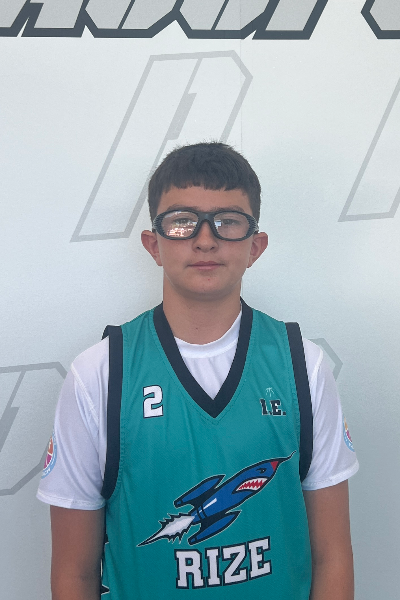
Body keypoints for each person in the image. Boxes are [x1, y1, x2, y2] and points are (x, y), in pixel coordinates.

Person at [37, 142, 359, 599]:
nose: (205, 239)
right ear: (153, 244)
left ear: (255, 246)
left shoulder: (302, 365)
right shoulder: (98, 374)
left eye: (229, 221)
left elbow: (333, 557)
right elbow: (75, 573)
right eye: (182, 221)